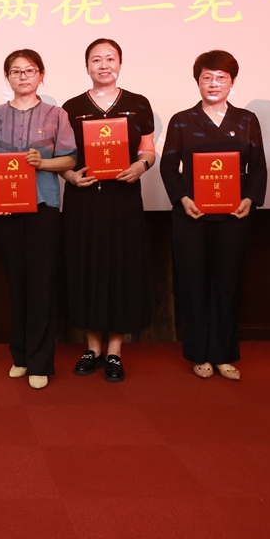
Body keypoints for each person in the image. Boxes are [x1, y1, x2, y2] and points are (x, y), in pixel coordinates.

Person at [159, 50, 266, 381]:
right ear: (198, 82)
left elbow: (257, 167)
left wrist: (250, 198)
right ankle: (199, 354)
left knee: (227, 284)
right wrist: (182, 199)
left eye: (221, 77)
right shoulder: (181, 120)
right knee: (194, 285)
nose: (214, 83)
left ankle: (224, 354)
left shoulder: (246, 120)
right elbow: (168, 166)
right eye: (207, 77)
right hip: (191, 216)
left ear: (232, 82)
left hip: (233, 216)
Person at [0, 49, 76, 390]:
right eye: (15, 71)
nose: (23, 77)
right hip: (5, 210)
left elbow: (69, 159)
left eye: (29, 71)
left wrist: (42, 163)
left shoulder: (56, 115)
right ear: (7, 77)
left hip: (43, 207)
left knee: (41, 284)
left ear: (41, 75)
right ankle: (19, 355)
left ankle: (40, 361)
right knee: (16, 283)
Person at [62, 38, 155, 382]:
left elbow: (148, 149)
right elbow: (63, 156)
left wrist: (141, 166)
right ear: (87, 66)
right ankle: (92, 348)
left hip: (123, 198)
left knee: (121, 268)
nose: (103, 65)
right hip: (84, 200)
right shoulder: (71, 107)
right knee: (86, 266)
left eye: (110, 58)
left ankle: (115, 350)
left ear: (120, 63)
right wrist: (70, 175)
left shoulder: (138, 103)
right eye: (96, 60)